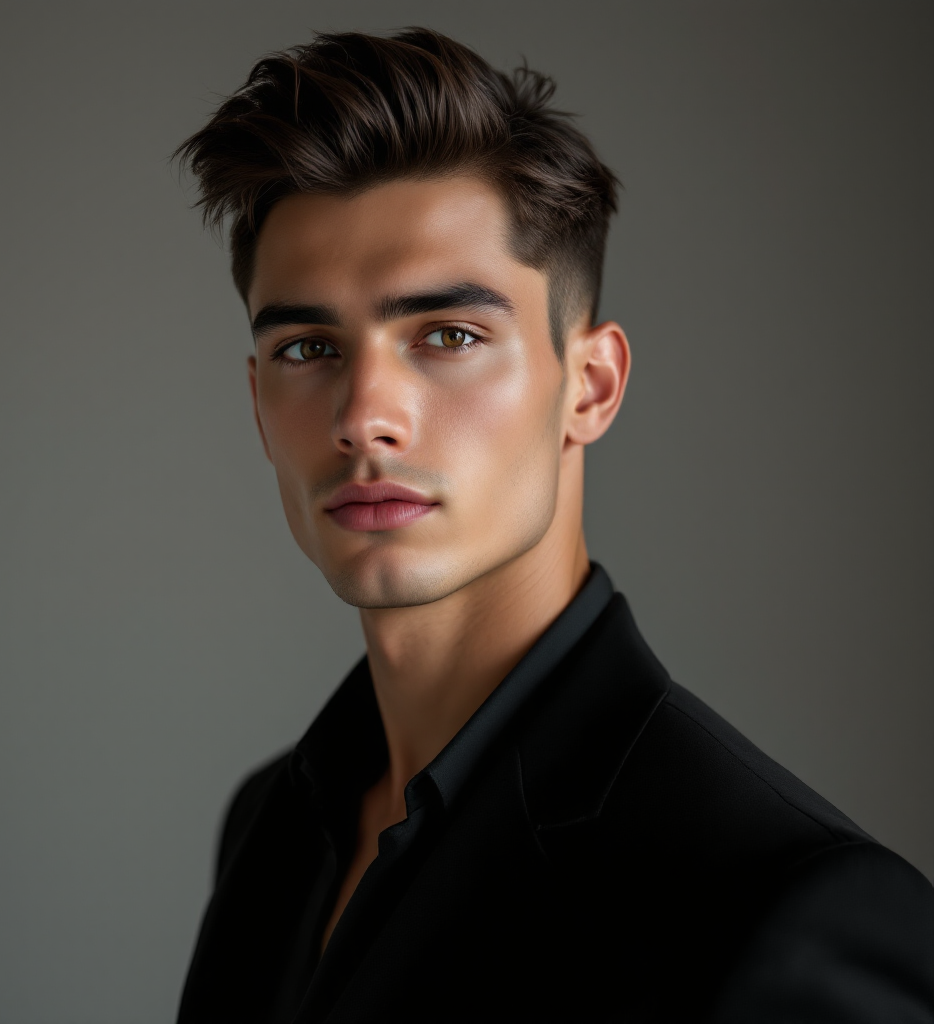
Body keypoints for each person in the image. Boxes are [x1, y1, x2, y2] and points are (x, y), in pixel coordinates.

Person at [173, 28, 933, 1023]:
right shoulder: (271, 827)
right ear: (255, 400)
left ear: (591, 384)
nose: (365, 413)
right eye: (309, 346)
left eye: (447, 335)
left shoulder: (786, 908)